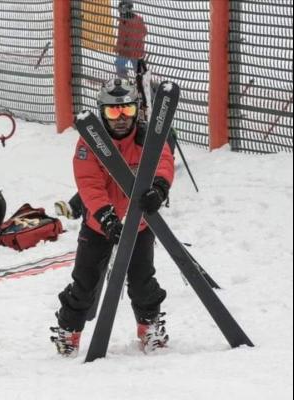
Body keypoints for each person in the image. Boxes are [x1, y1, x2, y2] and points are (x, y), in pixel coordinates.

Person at [50, 77, 175, 357]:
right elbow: (89, 184)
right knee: (85, 282)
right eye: (113, 112)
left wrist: (159, 188)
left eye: (127, 111)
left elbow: (164, 163)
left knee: (143, 280)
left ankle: (149, 327)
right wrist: (106, 218)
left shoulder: (147, 138)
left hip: (139, 223)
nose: (121, 119)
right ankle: (69, 331)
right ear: (102, 112)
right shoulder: (90, 142)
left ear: (137, 110)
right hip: (99, 224)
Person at [114, 0, 147, 79]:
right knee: (139, 70)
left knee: (119, 64)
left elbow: (121, 39)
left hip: (127, 51)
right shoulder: (139, 19)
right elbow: (145, 32)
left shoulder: (124, 23)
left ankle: (125, 82)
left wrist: (118, 48)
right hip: (138, 50)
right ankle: (144, 83)